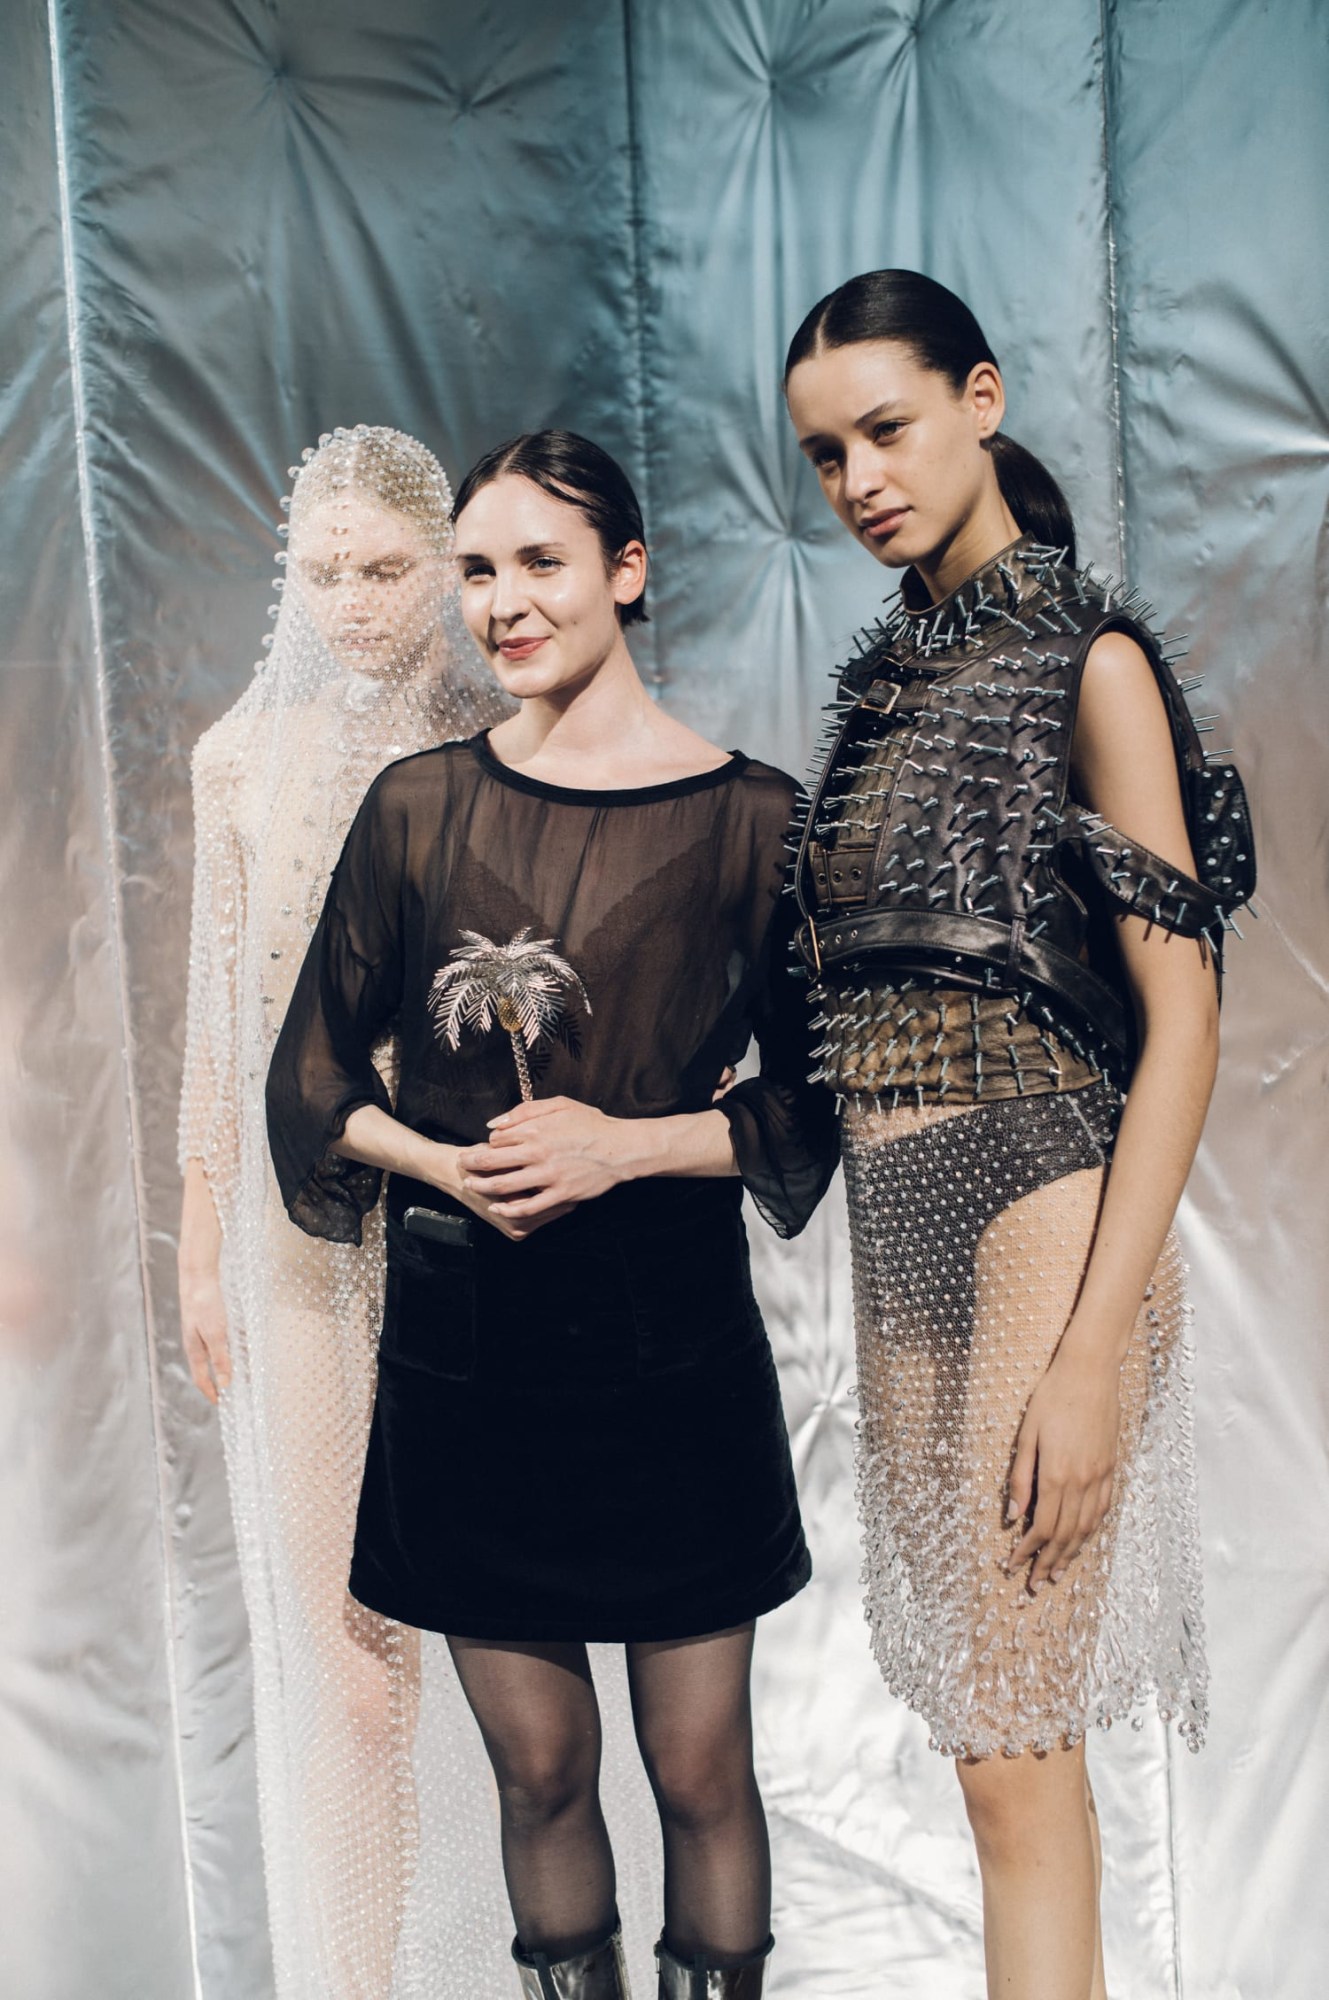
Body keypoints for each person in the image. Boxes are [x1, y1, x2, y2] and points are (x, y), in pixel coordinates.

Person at [265, 429, 838, 2000]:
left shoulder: (754, 821)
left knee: (701, 1771)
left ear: (625, 574)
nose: (503, 601)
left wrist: (623, 1146)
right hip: (471, 1356)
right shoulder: (416, 809)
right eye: (477, 570)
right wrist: (457, 1169)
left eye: (540, 562)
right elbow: (311, 1082)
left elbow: (808, 1106)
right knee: (536, 1775)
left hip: (669, 1350)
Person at [781, 272, 1254, 1999]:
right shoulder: (877, 701)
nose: (858, 480)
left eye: (885, 430)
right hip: (898, 1221)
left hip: (1042, 1197)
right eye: (826, 455)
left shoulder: (1091, 661)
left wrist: (1093, 1351)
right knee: (983, 1738)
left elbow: (1185, 1020)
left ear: (979, 399)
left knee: (1010, 1743)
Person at [177, 425, 521, 1998]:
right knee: (347, 1664)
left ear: (441, 563)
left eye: (384, 570)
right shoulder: (237, 758)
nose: (351, 604)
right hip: (290, 1235)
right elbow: (215, 1017)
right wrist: (201, 1235)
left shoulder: (496, 736)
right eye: (319, 572)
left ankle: (518, 1959)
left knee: (504, 1651)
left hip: (461, 1209)